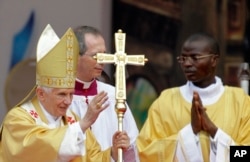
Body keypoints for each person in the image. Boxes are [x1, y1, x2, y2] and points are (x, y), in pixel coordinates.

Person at [0, 24, 130, 162]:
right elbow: (40, 147)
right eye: (62, 94)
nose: (68, 101)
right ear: (41, 93)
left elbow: (92, 158)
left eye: (71, 94)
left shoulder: (71, 120)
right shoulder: (17, 119)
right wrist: (84, 123)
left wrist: (112, 154)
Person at [136, 33, 250, 162]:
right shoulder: (166, 101)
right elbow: (144, 153)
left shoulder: (241, 102)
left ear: (214, 60)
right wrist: (190, 132)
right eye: (183, 58)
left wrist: (215, 132)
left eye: (195, 57)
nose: (187, 64)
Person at [71, 25, 139, 161]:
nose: (103, 61)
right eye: (96, 56)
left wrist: (126, 148)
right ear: (75, 56)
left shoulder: (113, 95)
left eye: (105, 54)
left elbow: (134, 144)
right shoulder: (60, 97)